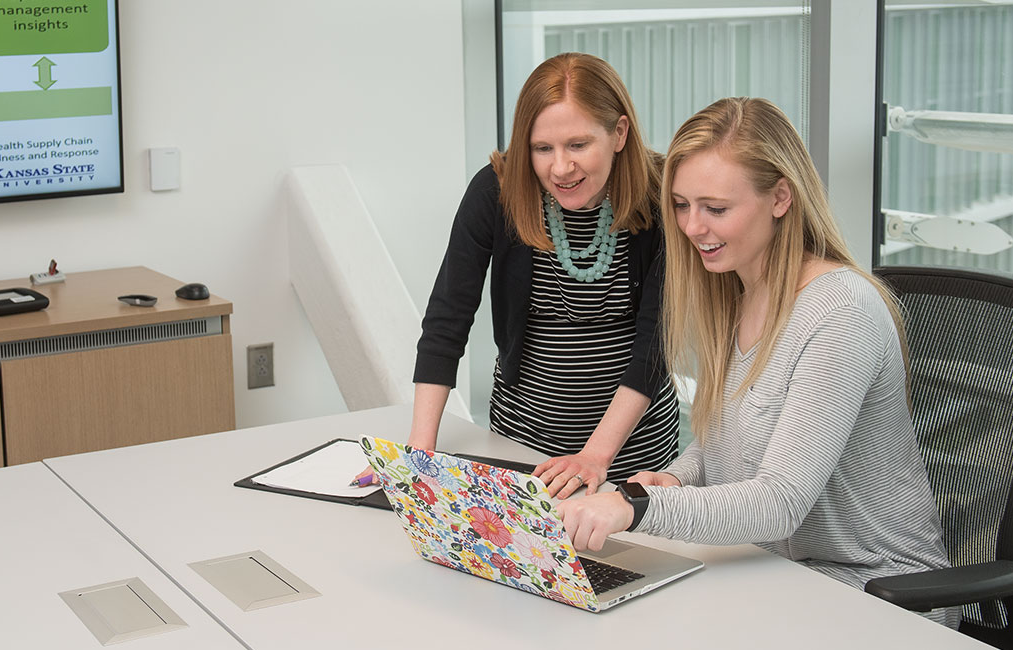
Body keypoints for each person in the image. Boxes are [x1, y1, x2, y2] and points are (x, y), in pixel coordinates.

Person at [557, 97, 958, 627]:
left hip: (878, 593)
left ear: (780, 198)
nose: (692, 227)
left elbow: (780, 501)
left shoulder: (841, 312)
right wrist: (675, 480)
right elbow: (729, 446)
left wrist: (636, 509)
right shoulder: (736, 292)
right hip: (778, 571)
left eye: (716, 209)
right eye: (680, 205)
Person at [360, 52, 683, 498]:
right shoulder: (496, 191)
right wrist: (420, 452)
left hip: (632, 452)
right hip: (522, 441)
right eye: (542, 148)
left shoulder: (663, 197)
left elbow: (656, 344)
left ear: (619, 133)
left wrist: (596, 456)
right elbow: (447, 320)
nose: (560, 168)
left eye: (578, 145)